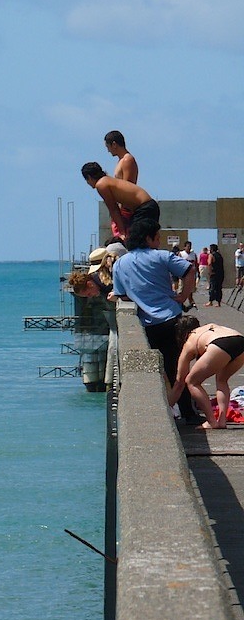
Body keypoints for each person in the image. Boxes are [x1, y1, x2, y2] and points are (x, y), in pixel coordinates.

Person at [110, 217, 202, 425]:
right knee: (177, 367)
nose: (159, 241)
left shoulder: (120, 264)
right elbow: (189, 270)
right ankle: (188, 412)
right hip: (171, 318)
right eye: (157, 237)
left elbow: (121, 294)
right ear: (148, 238)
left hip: (146, 324)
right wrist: (183, 295)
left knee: (156, 371)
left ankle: (163, 410)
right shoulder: (162, 256)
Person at [169, 317, 244, 429]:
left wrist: (167, 406)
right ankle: (222, 421)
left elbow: (179, 383)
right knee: (222, 381)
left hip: (220, 343)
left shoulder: (189, 341)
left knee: (191, 382)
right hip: (240, 340)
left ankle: (211, 422)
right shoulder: (206, 328)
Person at [81, 163, 159, 242]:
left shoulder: (101, 185)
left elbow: (114, 209)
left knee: (136, 241)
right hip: (148, 207)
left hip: (144, 208)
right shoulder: (108, 180)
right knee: (146, 240)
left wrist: (122, 233)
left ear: (89, 177)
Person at [104, 131, 139, 237]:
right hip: (121, 208)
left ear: (114, 144)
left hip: (126, 209)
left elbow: (127, 187)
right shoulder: (121, 161)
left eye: (108, 147)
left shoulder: (127, 160)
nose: (108, 150)